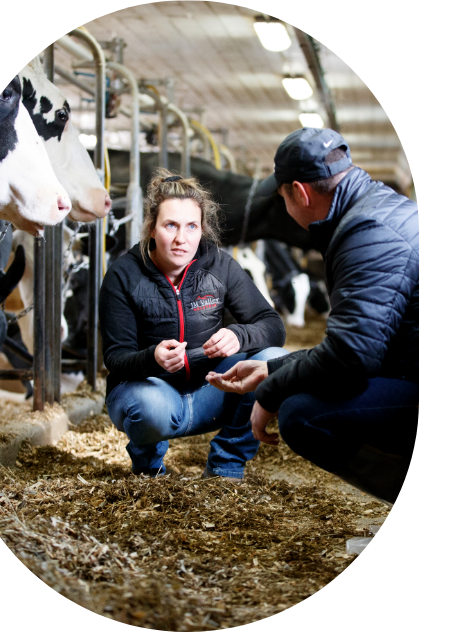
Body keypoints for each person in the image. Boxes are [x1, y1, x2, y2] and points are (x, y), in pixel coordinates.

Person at [206, 128, 419, 506]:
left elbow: (353, 355)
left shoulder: (365, 232)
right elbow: (360, 343)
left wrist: (272, 391)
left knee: (303, 415)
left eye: (283, 196)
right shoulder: (377, 207)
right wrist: (272, 371)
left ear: (301, 194)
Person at [99, 170, 287, 481]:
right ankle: (148, 466)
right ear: (151, 228)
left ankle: (226, 463)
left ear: (202, 229)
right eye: (170, 225)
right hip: (153, 395)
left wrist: (239, 336)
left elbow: (273, 326)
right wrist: (152, 356)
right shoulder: (124, 276)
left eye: (191, 226)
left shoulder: (220, 266)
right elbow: (116, 358)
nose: (180, 239)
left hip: (213, 388)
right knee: (147, 406)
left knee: (272, 362)